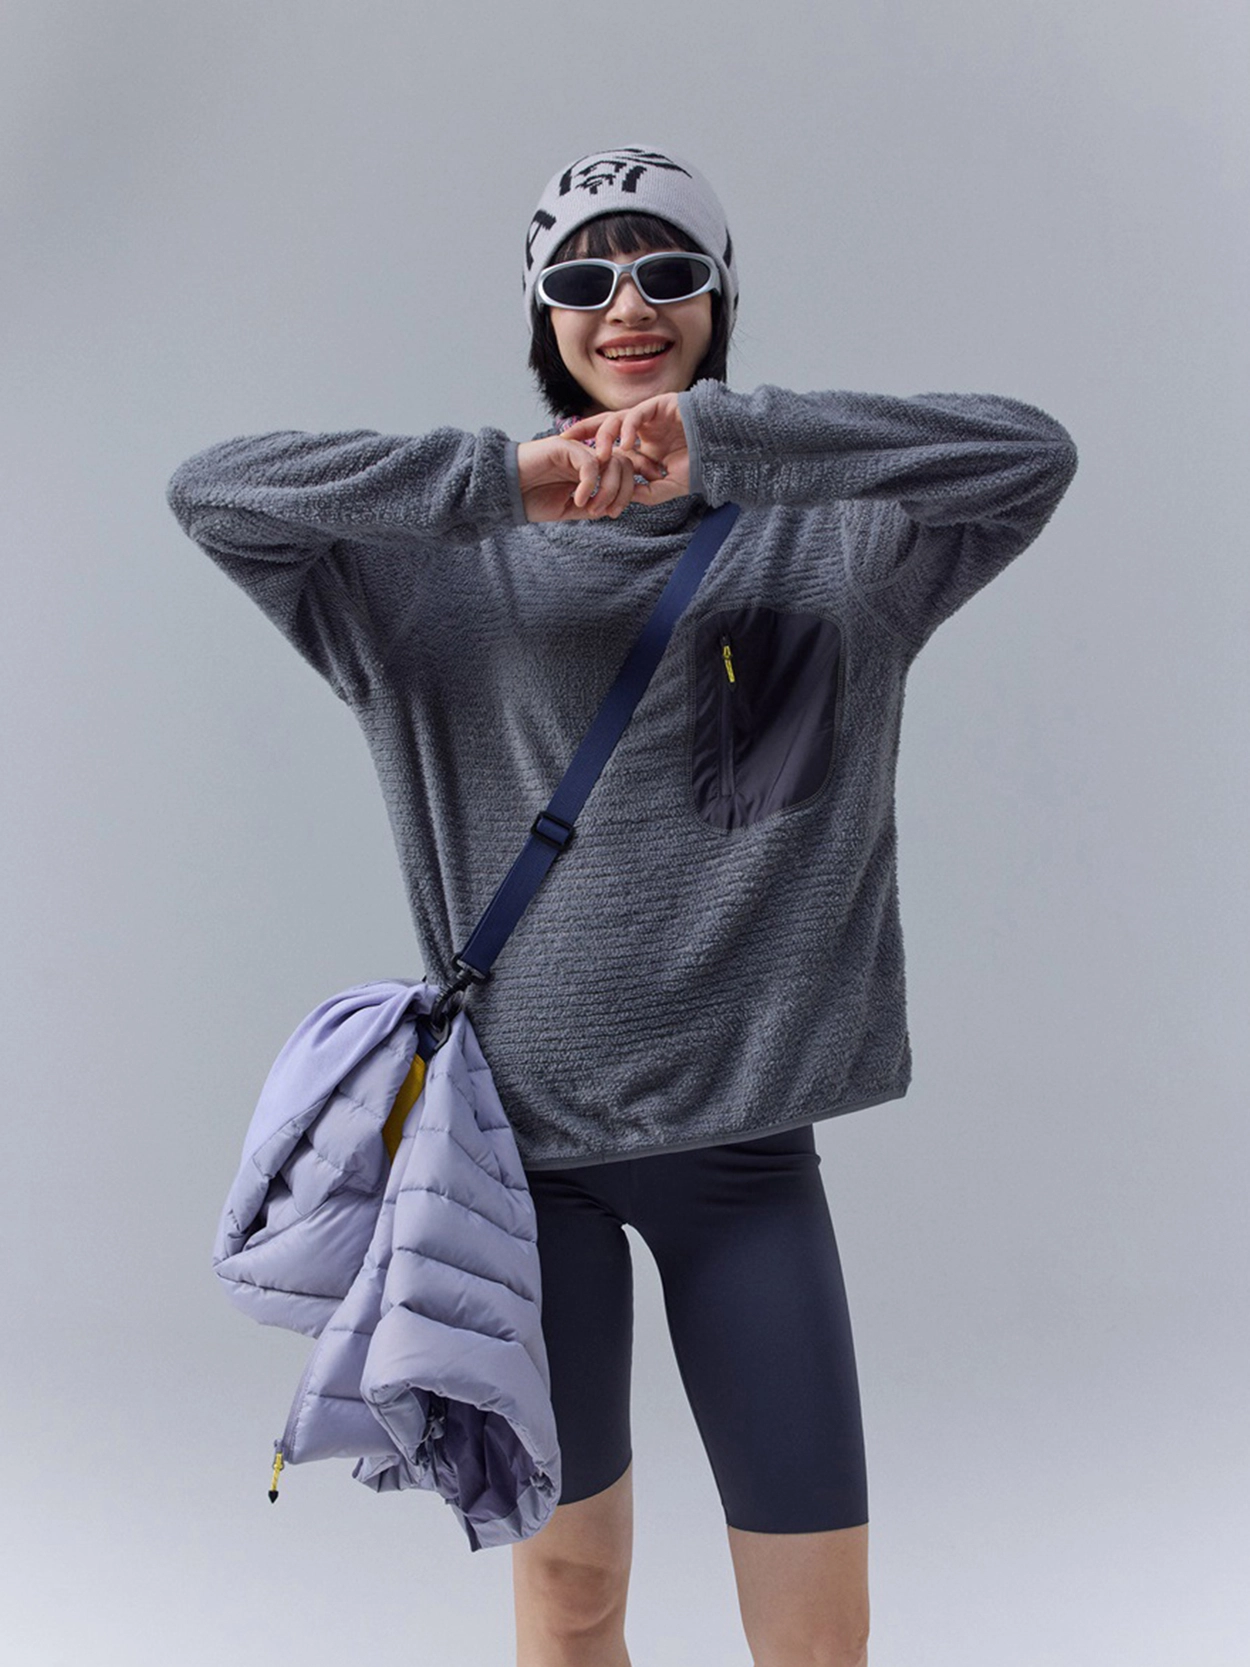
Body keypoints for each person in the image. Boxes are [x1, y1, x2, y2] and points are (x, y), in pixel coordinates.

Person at [167, 144, 1078, 1667]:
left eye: (669, 271)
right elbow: (217, 491)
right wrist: (501, 480)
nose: (628, 306)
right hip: (518, 1174)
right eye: (584, 278)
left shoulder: (839, 548)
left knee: (815, 1636)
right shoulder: (430, 583)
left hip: (746, 1166)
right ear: (543, 315)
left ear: (719, 300)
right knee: (570, 1593)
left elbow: (1026, 452)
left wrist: (727, 444)